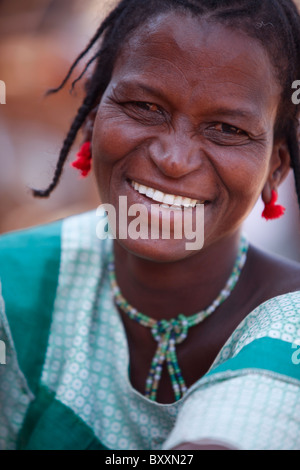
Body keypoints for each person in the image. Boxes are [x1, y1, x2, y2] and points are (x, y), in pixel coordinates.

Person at [0, 0, 300, 451]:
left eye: (226, 129)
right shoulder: (16, 283)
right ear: (93, 119)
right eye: (144, 106)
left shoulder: (290, 322)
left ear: (276, 169)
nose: (174, 160)